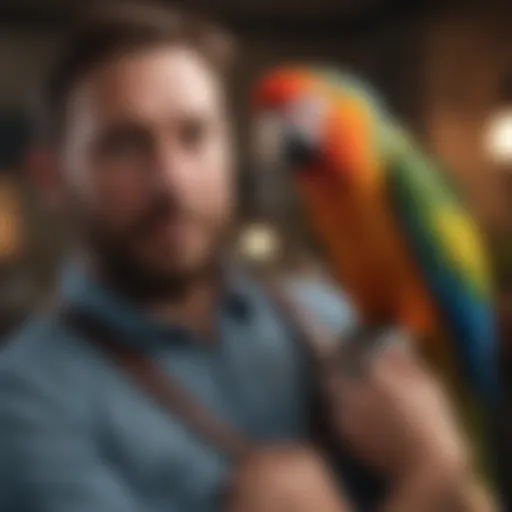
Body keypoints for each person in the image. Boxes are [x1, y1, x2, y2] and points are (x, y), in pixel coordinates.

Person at [0, 2, 494, 511]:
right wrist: (429, 470)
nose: (172, 180)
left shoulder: (329, 320)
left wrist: (451, 472)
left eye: (195, 136)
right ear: (49, 176)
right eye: (125, 145)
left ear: (229, 147)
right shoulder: (26, 398)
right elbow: (439, 469)